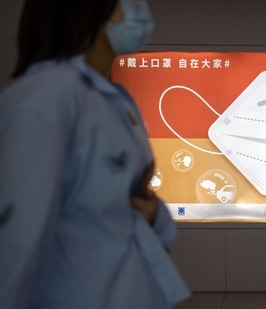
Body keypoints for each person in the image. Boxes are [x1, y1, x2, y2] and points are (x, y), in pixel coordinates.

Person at [0, 0, 191, 308]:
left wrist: (156, 215)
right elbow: (15, 240)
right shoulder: (46, 98)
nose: (140, 9)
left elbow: (115, 209)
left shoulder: (110, 99)